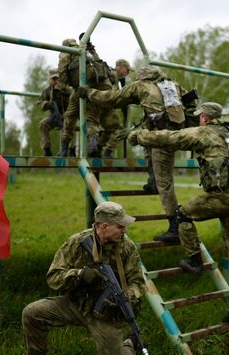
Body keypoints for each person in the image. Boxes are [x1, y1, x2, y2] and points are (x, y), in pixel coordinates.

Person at [126, 102, 229, 323]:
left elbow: (171, 138)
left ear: (204, 118)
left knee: (182, 215)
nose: (198, 119)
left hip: (221, 196)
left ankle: (195, 260)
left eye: (200, 117)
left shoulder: (203, 132)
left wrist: (139, 137)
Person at [17, 201, 146, 355]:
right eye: (119, 226)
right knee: (32, 313)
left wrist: (129, 296)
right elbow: (53, 277)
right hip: (75, 305)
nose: (124, 229)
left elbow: (137, 281)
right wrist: (79, 274)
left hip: (105, 314)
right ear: (104, 226)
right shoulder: (77, 243)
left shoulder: (127, 247)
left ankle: (129, 346)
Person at [79, 65, 197, 243]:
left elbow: (112, 98)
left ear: (143, 77)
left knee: (165, 184)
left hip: (161, 138)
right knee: (144, 137)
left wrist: (88, 93)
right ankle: (152, 181)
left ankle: (175, 227)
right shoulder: (173, 85)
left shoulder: (140, 86)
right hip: (176, 133)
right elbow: (191, 100)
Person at [57, 35, 114, 157]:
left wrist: (63, 86)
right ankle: (93, 145)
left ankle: (64, 148)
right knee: (92, 117)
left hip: (81, 88)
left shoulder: (67, 52)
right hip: (100, 87)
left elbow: (62, 73)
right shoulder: (88, 51)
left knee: (70, 116)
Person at [98, 59, 132, 159]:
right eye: (127, 70)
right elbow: (112, 94)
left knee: (109, 129)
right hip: (106, 106)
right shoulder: (113, 75)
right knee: (120, 131)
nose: (128, 73)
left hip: (98, 105)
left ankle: (97, 148)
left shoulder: (108, 73)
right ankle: (108, 151)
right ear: (121, 68)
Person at [36, 69, 71, 156]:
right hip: (54, 116)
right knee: (43, 124)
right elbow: (39, 103)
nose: (56, 81)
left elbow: (74, 101)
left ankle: (67, 150)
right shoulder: (47, 91)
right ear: (50, 79)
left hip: (67, 116)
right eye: (54, 79)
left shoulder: (66, 89)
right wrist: (47, 104)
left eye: (57, 79)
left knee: (68, 126)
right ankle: (46, 149)